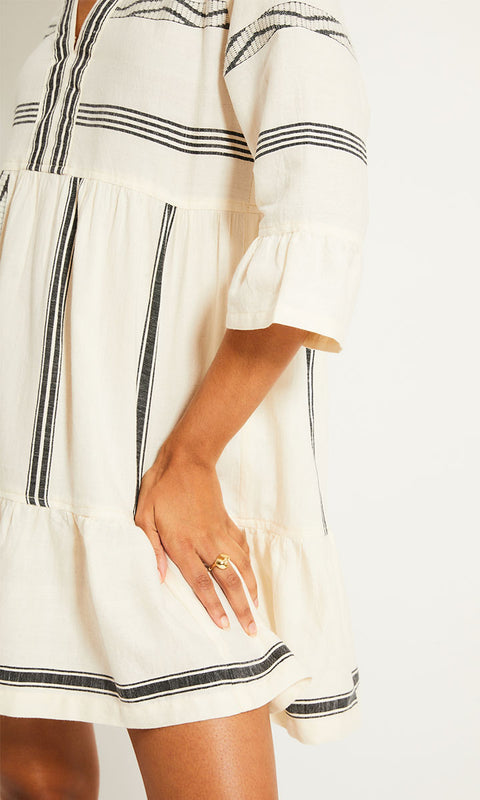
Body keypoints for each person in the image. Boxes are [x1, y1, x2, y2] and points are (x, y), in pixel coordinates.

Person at [0, 0, 370, 796]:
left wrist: (192, 455)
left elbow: (322, 221)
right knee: (29, 773)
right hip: (22, 453)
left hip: (159, 465)